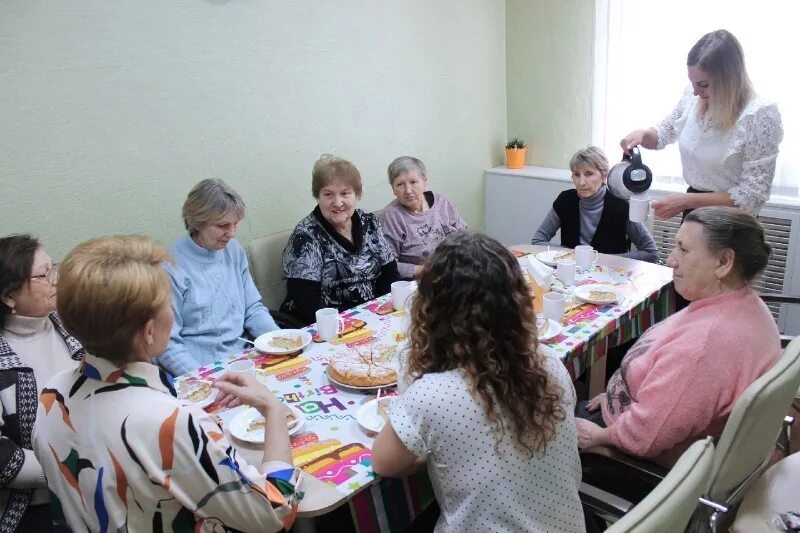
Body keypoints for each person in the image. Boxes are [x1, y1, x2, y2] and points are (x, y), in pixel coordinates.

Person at [32, 235, 301, 532]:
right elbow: (273, 514)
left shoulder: (51, 397)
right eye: (169, 304)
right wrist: (272, 409)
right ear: (149, 331)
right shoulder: (170, 421)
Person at [372, 232, 585, 533]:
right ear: (517, 302)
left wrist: (433, 447)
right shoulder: (549, 361)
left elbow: (383, 463)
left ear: (431, 312)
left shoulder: (432, 394)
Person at [575, 207, 781, 466]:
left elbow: (646, 437)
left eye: (683, 250)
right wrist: (615, 396)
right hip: (623, 414)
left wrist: (600, 436)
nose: (671, 260)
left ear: (724, 263)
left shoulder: (705, 347)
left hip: (628, 455)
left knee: (525, 427)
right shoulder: (741, 304)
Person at [620, 29, 783, 219]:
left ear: (729, 79)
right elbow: (664, 133)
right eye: (693, 83)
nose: (696, 92)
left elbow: (752, 197)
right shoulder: (692, 97)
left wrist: (687, 201)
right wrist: (644, 133)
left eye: (704, 85)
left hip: (732, 221)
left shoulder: (760, 115)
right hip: (693, 213)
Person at [0, 235, 83, 531]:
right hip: (35, 502)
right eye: (44, 275)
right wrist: (74, 470)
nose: (56, 281)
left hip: (97, 477)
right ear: (9, 296)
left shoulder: (67, 324)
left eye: (54, 268)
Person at [157, 179, 279, 377]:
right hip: (202, 369)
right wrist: (206, 379)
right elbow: (167, 344)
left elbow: (253, 309)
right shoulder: (169, 267)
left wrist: (279, 342)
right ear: (196, 222)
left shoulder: (233, 250)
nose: (231, 233)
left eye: (235, 224)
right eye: (223, 226)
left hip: (245, 358)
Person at [281, 154, 399, 325]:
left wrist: (380, 315)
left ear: (356, 194)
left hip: (373, 316)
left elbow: (389, 273)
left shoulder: (369, 221)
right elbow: (305, 302)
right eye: (328, 194)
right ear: (317, 196)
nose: (338, 202)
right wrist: (350, 325)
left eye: (345, 193)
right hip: (327, 326)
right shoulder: (306, 235)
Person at [532, 146, 658, 262]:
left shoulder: (621, 206)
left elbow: (651, 253)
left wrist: (603, 259)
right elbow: (538, 240)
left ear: (604, 176)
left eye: (589, 174)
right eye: (576, 174)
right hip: (570, 272)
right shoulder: (565, 200)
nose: (581, 182)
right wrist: (571, 254)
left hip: (610, 278)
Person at [379, 156, 467, 278]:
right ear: (393, 189)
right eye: (400, 184)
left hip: (455, 271)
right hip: (420, 281)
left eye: (413, 182)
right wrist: (428, 269)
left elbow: (465, 237)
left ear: (424, 181)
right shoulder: (391, 216)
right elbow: (388, 265)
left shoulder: (442, 202)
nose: (408, 190)